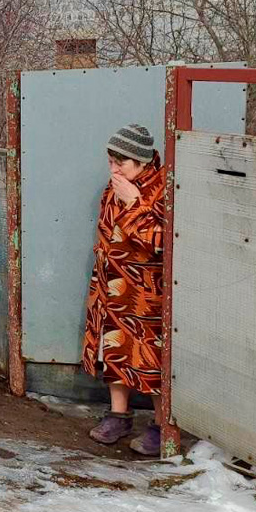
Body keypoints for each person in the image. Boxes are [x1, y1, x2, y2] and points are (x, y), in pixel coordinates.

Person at [81, 124, 165, 456]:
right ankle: (119, 415)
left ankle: (162, 425)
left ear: (143, 162)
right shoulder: (114, 186)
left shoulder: (163, 189)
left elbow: (162, 242)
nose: (115, 169)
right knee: (113, 350)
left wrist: (134, 204)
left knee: (152, 358)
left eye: (122, 163)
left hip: (147, 292)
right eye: (111, 161)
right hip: (111, 284)